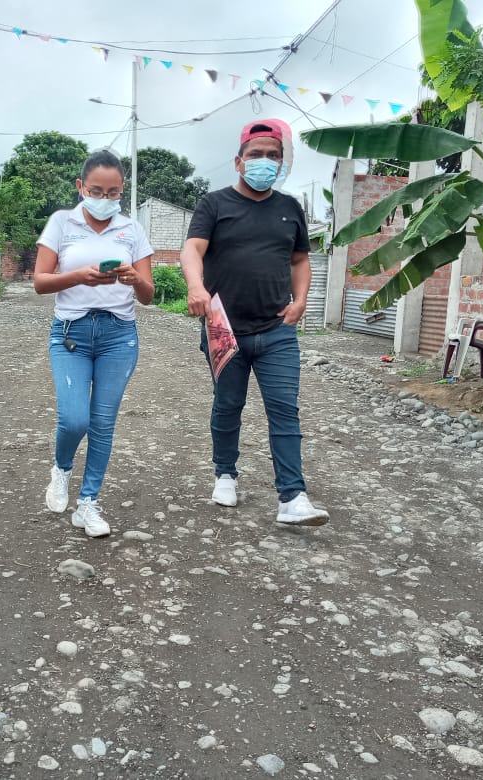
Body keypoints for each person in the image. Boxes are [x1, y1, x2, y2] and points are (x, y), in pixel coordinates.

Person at [180, 118, 330, 527]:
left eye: (272, 156)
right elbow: (192, 250)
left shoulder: (290, 209)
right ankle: (225, 474)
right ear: (239, 161)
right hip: (222, 328)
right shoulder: (214, 204)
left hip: (276, 329)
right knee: (228, 404)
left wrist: (301, 300)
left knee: (284, 410)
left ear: (281, 163)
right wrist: (196, 287)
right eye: (256, 154)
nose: (264, 161)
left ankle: (292, 497)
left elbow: (299, 260)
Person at [34, 149, 155, 538]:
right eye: (97, 191)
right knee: (74, 419)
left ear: (122, 190)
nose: (105, 199)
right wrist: (79, 277)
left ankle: (88, 503)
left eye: (113, 193)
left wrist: (134, 279)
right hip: (71, 333)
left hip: (119, 335)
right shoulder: (61, 222)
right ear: (81, 187)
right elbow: (40, 282)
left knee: (103, 423)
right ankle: (62, 468)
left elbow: (149, 295)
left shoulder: (132, 230)